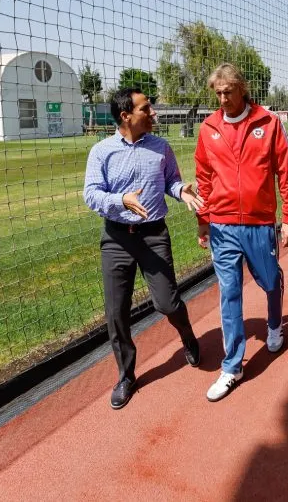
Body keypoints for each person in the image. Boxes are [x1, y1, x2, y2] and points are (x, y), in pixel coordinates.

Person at [83, 88, 205, 409]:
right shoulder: (101, 152)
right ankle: (126, 374)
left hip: (153, 235)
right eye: (147, 109)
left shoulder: (161, 147)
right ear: (126, 116)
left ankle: (187, 335)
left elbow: (171, 182)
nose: (154, 114)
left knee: (167, 303)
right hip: (116, 238)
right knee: (116, 312)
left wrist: (183, 191)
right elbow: (91, 194)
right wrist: (120, 200)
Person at [195, 63, 288, 402]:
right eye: (218, 93)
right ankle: (232, 366)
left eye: (228, 92)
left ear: (242, 89)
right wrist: (203, 220)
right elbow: (203, 178)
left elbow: (286, 170)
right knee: (229, 293)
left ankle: (273, 324)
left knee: (269, 281)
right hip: (223, 225)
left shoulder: (268, 123)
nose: (223, 99)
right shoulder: (209, 128)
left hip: (259, 223)